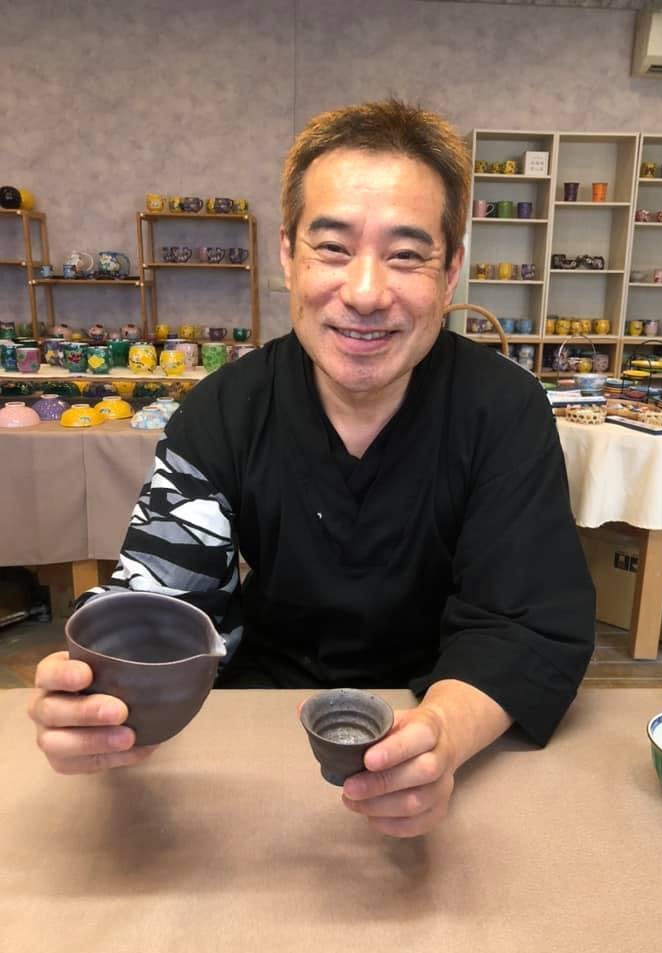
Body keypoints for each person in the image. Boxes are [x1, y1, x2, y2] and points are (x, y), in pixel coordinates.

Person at [28, 99, 595, 837]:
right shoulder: (223, 410)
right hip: (265, 715)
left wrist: (440, 737)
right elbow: (165, 605)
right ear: (289, 256)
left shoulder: (504, 409)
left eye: (406, 254)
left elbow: (525, 621)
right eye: (331, 248)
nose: (365, 293)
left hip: (453, 706)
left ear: (451, 270)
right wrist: (102, 699)